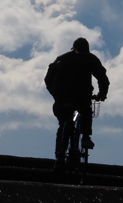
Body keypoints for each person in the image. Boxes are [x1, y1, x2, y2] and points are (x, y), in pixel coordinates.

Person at [44, 37, 109, 170]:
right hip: (81, 96)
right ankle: (85, 136)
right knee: (86, 111)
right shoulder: (90, 58)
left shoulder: (61, 58)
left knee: (63, 123)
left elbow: (48, 78)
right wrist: (102, 94)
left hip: (61, 97)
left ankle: (59, 155)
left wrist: (54, 93)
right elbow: (102, 78)